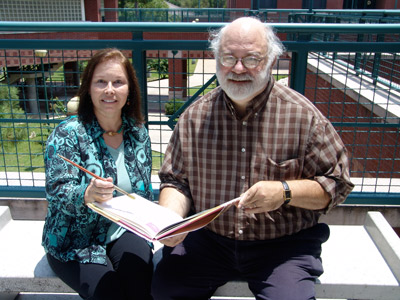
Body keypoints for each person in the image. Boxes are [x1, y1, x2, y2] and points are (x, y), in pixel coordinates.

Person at [151, 17, 354, 300]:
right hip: (209, 240)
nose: (238, 68)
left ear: (271, 60)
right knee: (165, 291)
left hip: (283, 246)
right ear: (216, 59)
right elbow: (176, 181)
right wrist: (171, 220)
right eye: (228, 57)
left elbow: (336, 185)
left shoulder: (304, 117)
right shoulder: (194, 117)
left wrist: (284, 192)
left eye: (251, 59)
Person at [42, 48, 154, 300]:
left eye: (118, 82)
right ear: (88, 88)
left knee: (142, 285)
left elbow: (142, 192)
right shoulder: (67, 134)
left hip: (123, 229)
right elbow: (57, 192)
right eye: (100, 82)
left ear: (130, 89)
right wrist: (87, 194)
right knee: (110, 293)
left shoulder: (138, 133)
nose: (109, 90)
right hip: (75, 240)